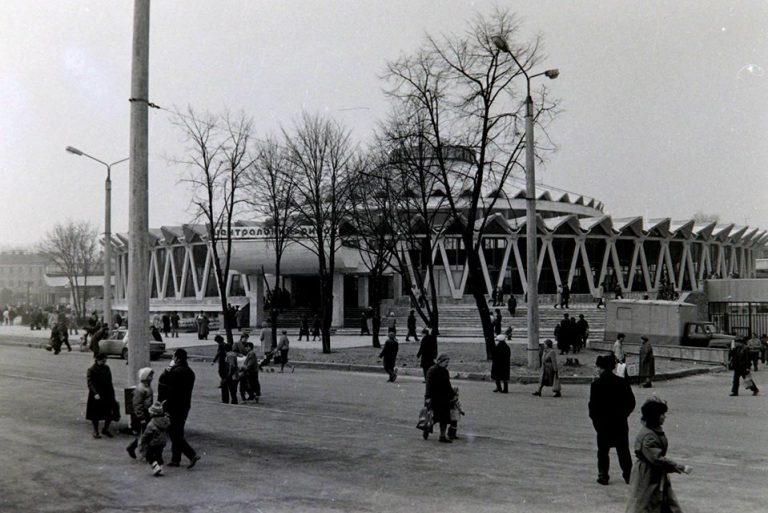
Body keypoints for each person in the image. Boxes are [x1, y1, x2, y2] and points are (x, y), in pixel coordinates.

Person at [625, 397, 692, 513]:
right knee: (645, 505)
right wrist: (679, 467)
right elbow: (657, 459)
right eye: (662, 414)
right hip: (647, 475)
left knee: (661, 502)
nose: (664, 417)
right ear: (655, 416)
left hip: (654, 474)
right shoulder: (649, 436)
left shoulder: (652, 431)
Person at [589, 354, 636, 486]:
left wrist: (597, 423)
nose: (597, 370)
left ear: (602, 368)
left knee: (603, 451)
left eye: (598, 367)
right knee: (623, 451)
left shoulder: (596, 385)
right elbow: (631, 403)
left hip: (603, 425)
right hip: (620, 423)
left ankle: (603, 475)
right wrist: (623, 415)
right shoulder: (622, 383)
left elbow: (592, 408)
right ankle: (628, 475)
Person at [158, 349, 201, 468]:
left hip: (173, 406)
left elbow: (164, 385)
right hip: (185, 406)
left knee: (173, 433)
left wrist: (167, 371)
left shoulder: (175, 372)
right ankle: (175, 459)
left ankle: (191, 454)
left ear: (177, 358)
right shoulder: (190, 372)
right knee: (178, 431)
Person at [425, 354, 457, 443]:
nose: (447, 364)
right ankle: (427, 428)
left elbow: (448, 385)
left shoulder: (445, 371)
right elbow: (428, 385)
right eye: (446, 362)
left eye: (448, 362)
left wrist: (453, 395)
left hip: (444, 398)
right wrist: (428, 397)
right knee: (435, 417)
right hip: (434, 397)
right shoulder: (432, 370)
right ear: (440, 361)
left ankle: (442, 436)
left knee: (445, 418)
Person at [85, 352, 116, 438]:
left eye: (105, 361)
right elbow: (90, 383)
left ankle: (105, 429)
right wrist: (95, 393)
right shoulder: (92, 369)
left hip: (107, 393)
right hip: (96, 395)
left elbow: (110, 382)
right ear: (97, 360)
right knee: (95, 414)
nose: (104, 363)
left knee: (109, 413)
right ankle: (96, 431)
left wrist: (112, 393)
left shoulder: (106, 368)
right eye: (102, 361)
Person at [127, 367, 155, 460]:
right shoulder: (141, 389)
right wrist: (141, 417)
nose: (152, 377)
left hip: (146, 414)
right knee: (143, 434)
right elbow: (137, 405)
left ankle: (133, 448)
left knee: (144, 434)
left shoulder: (146, 386)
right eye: (150, 375)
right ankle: (144, 453)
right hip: (142, 415)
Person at [139, 400, 170, 476]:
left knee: (149, 455)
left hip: (154, 442)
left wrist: (142, 443)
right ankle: (160, 468)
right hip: (162, 442)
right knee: (159, 455)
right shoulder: (165, 421)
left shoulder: (151, 424)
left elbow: (145, 435)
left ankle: (156, 467)